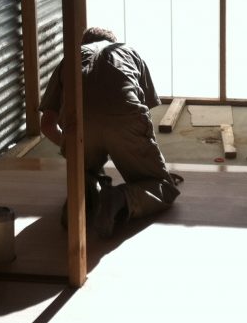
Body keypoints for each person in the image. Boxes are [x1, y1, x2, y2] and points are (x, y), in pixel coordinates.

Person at [39, 27, 182, 238]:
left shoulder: (70, 59)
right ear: (112, 41)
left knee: (85, 171)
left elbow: (47, 125)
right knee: (163, 187)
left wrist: (70, 146)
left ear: (83, 44)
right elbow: (144, 110)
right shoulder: (128, 51)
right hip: (125, 119)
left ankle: (86, 190)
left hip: (79, 125)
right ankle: (118, 198)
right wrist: (148, 166)